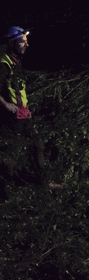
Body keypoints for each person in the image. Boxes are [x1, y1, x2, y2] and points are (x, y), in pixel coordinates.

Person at [0, 26, 46, 192]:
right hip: (10, 117)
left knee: (37, 143)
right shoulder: (3, 64)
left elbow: (18, 88)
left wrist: (26, 109)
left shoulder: (15, 60)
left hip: (22, 113)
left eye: (26, 42)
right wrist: (6, 105)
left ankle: (43, 183)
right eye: (22, 42)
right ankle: (5, 190)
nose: (27, 45)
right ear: (12, 44)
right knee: (10, 152)